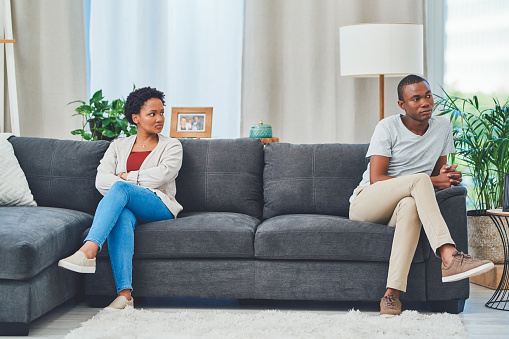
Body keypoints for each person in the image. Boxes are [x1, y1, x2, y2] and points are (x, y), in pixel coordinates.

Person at [349, 74, 494, 317]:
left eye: (427, 95)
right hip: (368, 202)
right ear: (402, 105)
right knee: (419, 180)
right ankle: (449, 255)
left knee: (411, 206)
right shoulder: (387, 127)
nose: (425, 102)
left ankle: (391, 296)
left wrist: (447, 177)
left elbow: (437, 175)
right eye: (415, 99)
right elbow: (376, 179)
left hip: (402, 204)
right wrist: (430, 180)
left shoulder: (443, 127)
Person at [58, 87, 183, 310]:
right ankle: (125, 296)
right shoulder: (118, 146)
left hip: (159, 205)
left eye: (162, 112)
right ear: (136, 118)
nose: (160, 119)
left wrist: (126, 177)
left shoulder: (171, 145)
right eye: (152, 114)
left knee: (120, 189)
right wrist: (131, 182)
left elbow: (163, 175)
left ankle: (89, 250)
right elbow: (100, 181)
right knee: (122, 215)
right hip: (130, 205)